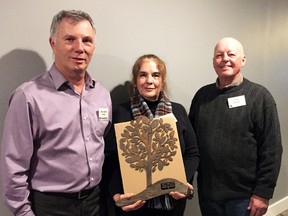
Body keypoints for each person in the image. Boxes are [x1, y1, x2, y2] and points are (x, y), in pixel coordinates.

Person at [0, 10, 112, 216]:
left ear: (93, 46)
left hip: (96, 203)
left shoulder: (102, 94)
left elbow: (104, 148)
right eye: (70, 39)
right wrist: (23, 212)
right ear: (53, 44)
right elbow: (13, 165)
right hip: (51, 207)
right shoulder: (28, 96)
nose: (80, 48)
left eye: (87, 40)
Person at [188, 37, 283, 216]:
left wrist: (262, 193)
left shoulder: (260, 97)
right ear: (213, 62)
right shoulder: (202, 96)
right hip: (208, 194)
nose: (225, 59)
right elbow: (192, 145)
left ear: (243, 60)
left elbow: (272, 149)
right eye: (219, 55)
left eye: (231, 54)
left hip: (244, 198)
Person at [102, 54, 200, 216]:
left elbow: (192, 153)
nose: (149, 80)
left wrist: (182, 181)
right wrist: (116, 194)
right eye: (143, 75)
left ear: (162, 80)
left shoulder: (178, 111)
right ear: (135, 80)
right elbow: (110, 159)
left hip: (172, 205)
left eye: (155, 75)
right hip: (133, 206)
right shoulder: (121, 113)